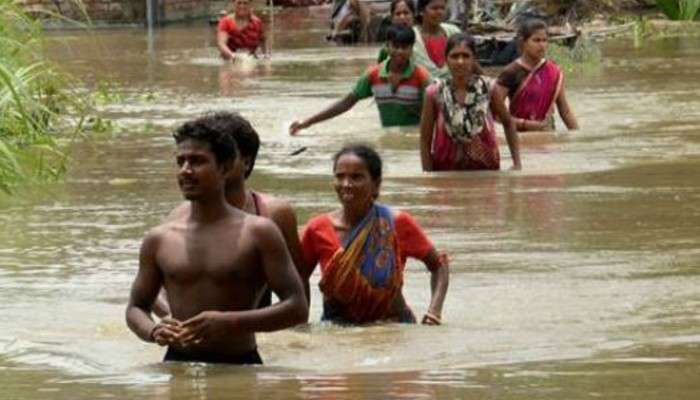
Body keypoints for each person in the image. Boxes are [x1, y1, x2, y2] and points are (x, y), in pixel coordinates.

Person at [125, 113, 308, 364]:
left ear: (225, 167)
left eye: (197, 161)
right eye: (181, 162)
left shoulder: (259, 232)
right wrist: (154, 330)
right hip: (176, 363)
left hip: (240, 366)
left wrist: (230, 322)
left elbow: (297, 308)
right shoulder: (159, 238)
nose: (186, 171)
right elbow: (136, 308)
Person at [165, 112, 308, 308]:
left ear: (245, 161)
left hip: (253, 333)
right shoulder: (178, 217)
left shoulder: (271, 215)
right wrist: (173, 321)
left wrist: (293, 338)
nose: (187, 169)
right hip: (190, 333)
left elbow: (298, 294)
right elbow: (154, 289)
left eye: (224, 153)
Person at [300, 144, 449, 325]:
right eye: (340, 177)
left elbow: (439, 266)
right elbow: (298, 279)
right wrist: (301, 325)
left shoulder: (396, 223)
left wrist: (434, 313)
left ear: (376, 184)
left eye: (356, 177)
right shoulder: (317, 228)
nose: (346, 184)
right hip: (338, 332)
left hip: (393, 328)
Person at [289, 24, 431, 134]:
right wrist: (308, 122)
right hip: (389, 135)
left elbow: (436, 113)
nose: (400, 51)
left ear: (412, 49)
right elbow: (346, 103)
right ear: (387, 47)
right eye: (396, 46)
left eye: (405, 47)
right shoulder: (373, 75)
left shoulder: (421, 77)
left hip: (416, 138)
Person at [420, 33, 521, 171]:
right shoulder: (434, 93)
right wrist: (427, 174)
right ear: (446, 60)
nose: (460, 61)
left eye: (465, 56)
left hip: (486, 169)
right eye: (454, 56)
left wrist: (517, 163)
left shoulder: (489, 89)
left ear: (474, 59)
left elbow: (508, 123)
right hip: (446, 170)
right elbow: (425, 140)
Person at [492, 19, 579, 132]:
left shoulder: (554, 71)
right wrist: (526, 124)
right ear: (523, 42)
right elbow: (496, 113)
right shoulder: (511, 72)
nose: (542, 45)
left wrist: (577, 137)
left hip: (548, 136)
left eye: (544, 40)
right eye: (536, 40)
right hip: (520, 137)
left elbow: (565, 111)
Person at [412, 0, 461, 79]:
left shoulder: (453, 31)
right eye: (434, 8)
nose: (440, 12)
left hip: (451, 88)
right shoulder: (412, 36)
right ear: (421, 11)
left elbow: (471, 61)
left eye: (442, 8)